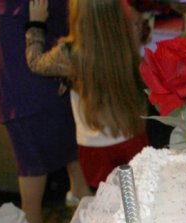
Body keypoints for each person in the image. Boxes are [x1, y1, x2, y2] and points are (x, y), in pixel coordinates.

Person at [0, 0, 92, 223]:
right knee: (30, 123)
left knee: (63, 111)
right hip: (17, 20)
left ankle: (79, 189)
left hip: (42, 24)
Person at [25, 0, 149, 191]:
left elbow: (35, 62)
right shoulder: (126, 40)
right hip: (132, 134)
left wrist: (36, 24)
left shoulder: (70, 53)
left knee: (106, 200)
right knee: (136, 196)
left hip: (94, 146)